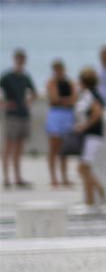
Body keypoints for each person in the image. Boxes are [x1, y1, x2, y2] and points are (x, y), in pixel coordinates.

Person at [1, 48, 37, 189]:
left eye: (23, 59)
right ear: (15, 59)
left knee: (19, 147)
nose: (21, 61)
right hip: (11, 116)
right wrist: (3, 104)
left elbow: (33, 93)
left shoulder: (25, 77)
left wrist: (28, 102)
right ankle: (6, 177)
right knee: (8, 146)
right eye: (19, 58)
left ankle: (18, 177)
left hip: (23, 115)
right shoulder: (7, 77)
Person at [73, 67, 106, 212]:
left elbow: (97, 113)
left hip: (93, 135)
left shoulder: (91, 95)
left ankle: (97, 194)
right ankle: (90, 200)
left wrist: (84, 126)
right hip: (92, 136)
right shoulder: (93, 94)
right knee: (85, 168)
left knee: (83, 168)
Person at [45, 59, 77, 188]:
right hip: (56, 115)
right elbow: (54, 98)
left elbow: (74, 98)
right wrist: (66, 100)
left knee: (65, 148)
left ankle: (64, 177)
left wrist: (64, 100)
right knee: (54, 147)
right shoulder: (51, 82)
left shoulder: (69, 82)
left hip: (67, 115)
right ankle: (54, 177)